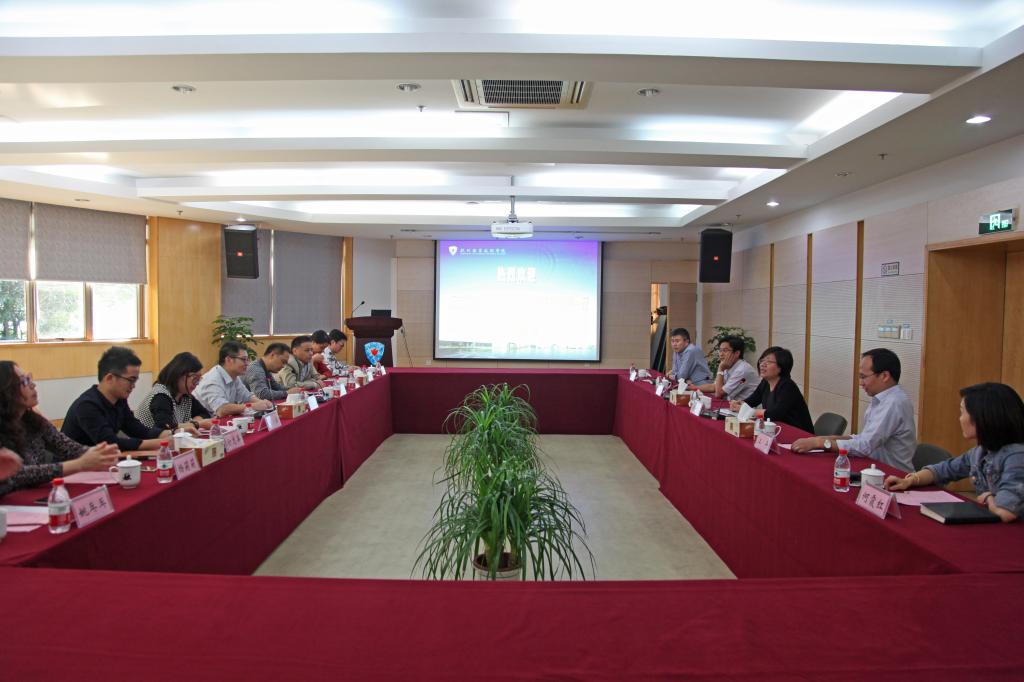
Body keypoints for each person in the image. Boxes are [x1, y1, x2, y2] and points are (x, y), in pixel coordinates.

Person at [885, 382, 1024, 523]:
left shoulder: (1016, 457)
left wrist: (988, 498)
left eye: (963, 412)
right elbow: (943, 470)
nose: (960, 418)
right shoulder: (980, 452)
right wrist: (910, 480)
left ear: (983, 417)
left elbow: (1006, 512)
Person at [0, 361, 120, 492]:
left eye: (29, 379)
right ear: (6, 391)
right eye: (24, 381)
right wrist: (79, 464)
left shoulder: (34, 421)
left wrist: (101, 455)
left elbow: (69, 448)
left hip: (34, 495)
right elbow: (16, 474)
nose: (33, 385)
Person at [791, 348, 916, 471]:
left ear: (884, 376)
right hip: (875, 468)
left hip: (893, 474)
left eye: (863, 377)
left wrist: (820, 443)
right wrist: (826, 439)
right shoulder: (881, 398)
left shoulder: (894, 402)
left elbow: (865, 445)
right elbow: (863, 438)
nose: (860, 383)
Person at [62, 346, 170, 451]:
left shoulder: (119, 400)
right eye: (131, 380)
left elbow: (138, 430)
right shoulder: (87, 405)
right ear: (109, 378)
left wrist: (172, 434)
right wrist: (162, 443)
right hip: (75, 462)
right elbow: (110, 443)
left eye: (135, 380)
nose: (133, 386)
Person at [729, 346, 813, 433]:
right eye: (762, 360)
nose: (762, 364)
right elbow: (751, 401)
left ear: (781, 367)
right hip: (777, 430)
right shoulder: (765, 383)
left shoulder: (787, 386)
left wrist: (748, 411)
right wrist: (739, 404)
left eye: (768, 362)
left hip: (798, 433)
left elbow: (774, 414)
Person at [135, 352, 213, 432]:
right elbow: (165, 427)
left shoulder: (185, 396)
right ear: (179, 375)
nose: (197, 383)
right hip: (146, 439)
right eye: (195, 379)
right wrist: (196, 424)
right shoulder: (161, 396)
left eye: (199, 379)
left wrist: (191, 424)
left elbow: (204, 414)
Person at [193, 342, 274, 417]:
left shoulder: (233, 376)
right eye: (243, 359)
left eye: (247, 359)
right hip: (204, 423)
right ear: (228, 360)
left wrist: (262, 403)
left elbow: (247, 397)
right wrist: (253, 406)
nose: (247, 363)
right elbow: (221, 409)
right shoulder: (212, 380)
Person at [689, 336, 759, 402]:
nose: (721, 354)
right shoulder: (728, 365)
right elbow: (714, 387)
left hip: (746, 408)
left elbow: (719, 394)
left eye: (725, 350)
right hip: (732, 405)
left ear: (737, 353)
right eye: (720, 350)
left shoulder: (742, 370)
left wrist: (720, 369)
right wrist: (692, 388)